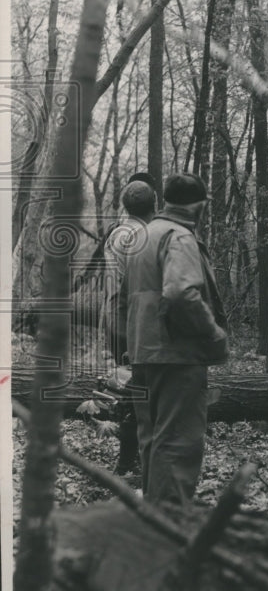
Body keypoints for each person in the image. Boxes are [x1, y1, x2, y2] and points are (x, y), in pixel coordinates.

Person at [123, 172, 229, 504]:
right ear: (199, 206)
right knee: (178, 442)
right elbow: (182, 293)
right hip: (176, 356)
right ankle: (169, 526)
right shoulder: (180, 237)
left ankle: (154, 521)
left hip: (143, 352)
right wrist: (212, 333)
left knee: (153, 440)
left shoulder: (143, 235)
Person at [100, 175, 157, 475]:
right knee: (140, 388)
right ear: (155, 204)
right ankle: (129, 461)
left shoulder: (116, 232)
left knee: (129, 386)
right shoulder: (145, 236)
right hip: (133, 318)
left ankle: (130, 459)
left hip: (114, 315)